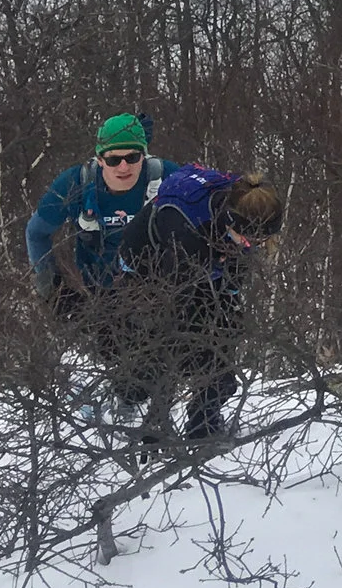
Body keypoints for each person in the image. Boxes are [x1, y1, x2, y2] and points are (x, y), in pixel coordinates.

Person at [121, 167, 286, 442]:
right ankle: (133, 405)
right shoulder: (187, 230)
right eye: (247, 238)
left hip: (204, 264)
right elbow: (171, 326)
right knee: (160, 356)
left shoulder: (244, 212)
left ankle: (203, 426)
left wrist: (231, 302)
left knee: (223, 357)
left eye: (260, 240)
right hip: (149, 269)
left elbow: (231, 284)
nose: (252, 245)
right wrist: (157, 421)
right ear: (230, 222)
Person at [26, 114, 164, 420]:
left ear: (144, 155)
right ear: (100, 159)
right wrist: (50, 285)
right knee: (111, 352)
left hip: (156, 288)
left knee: (156, 359)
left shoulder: (165, 178)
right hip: (100, 287)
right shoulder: (76, 183)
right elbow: (36, 233)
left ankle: (152, 415)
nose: (123, 167)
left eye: (132, 157)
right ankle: (110, 412)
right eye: (113, 160)